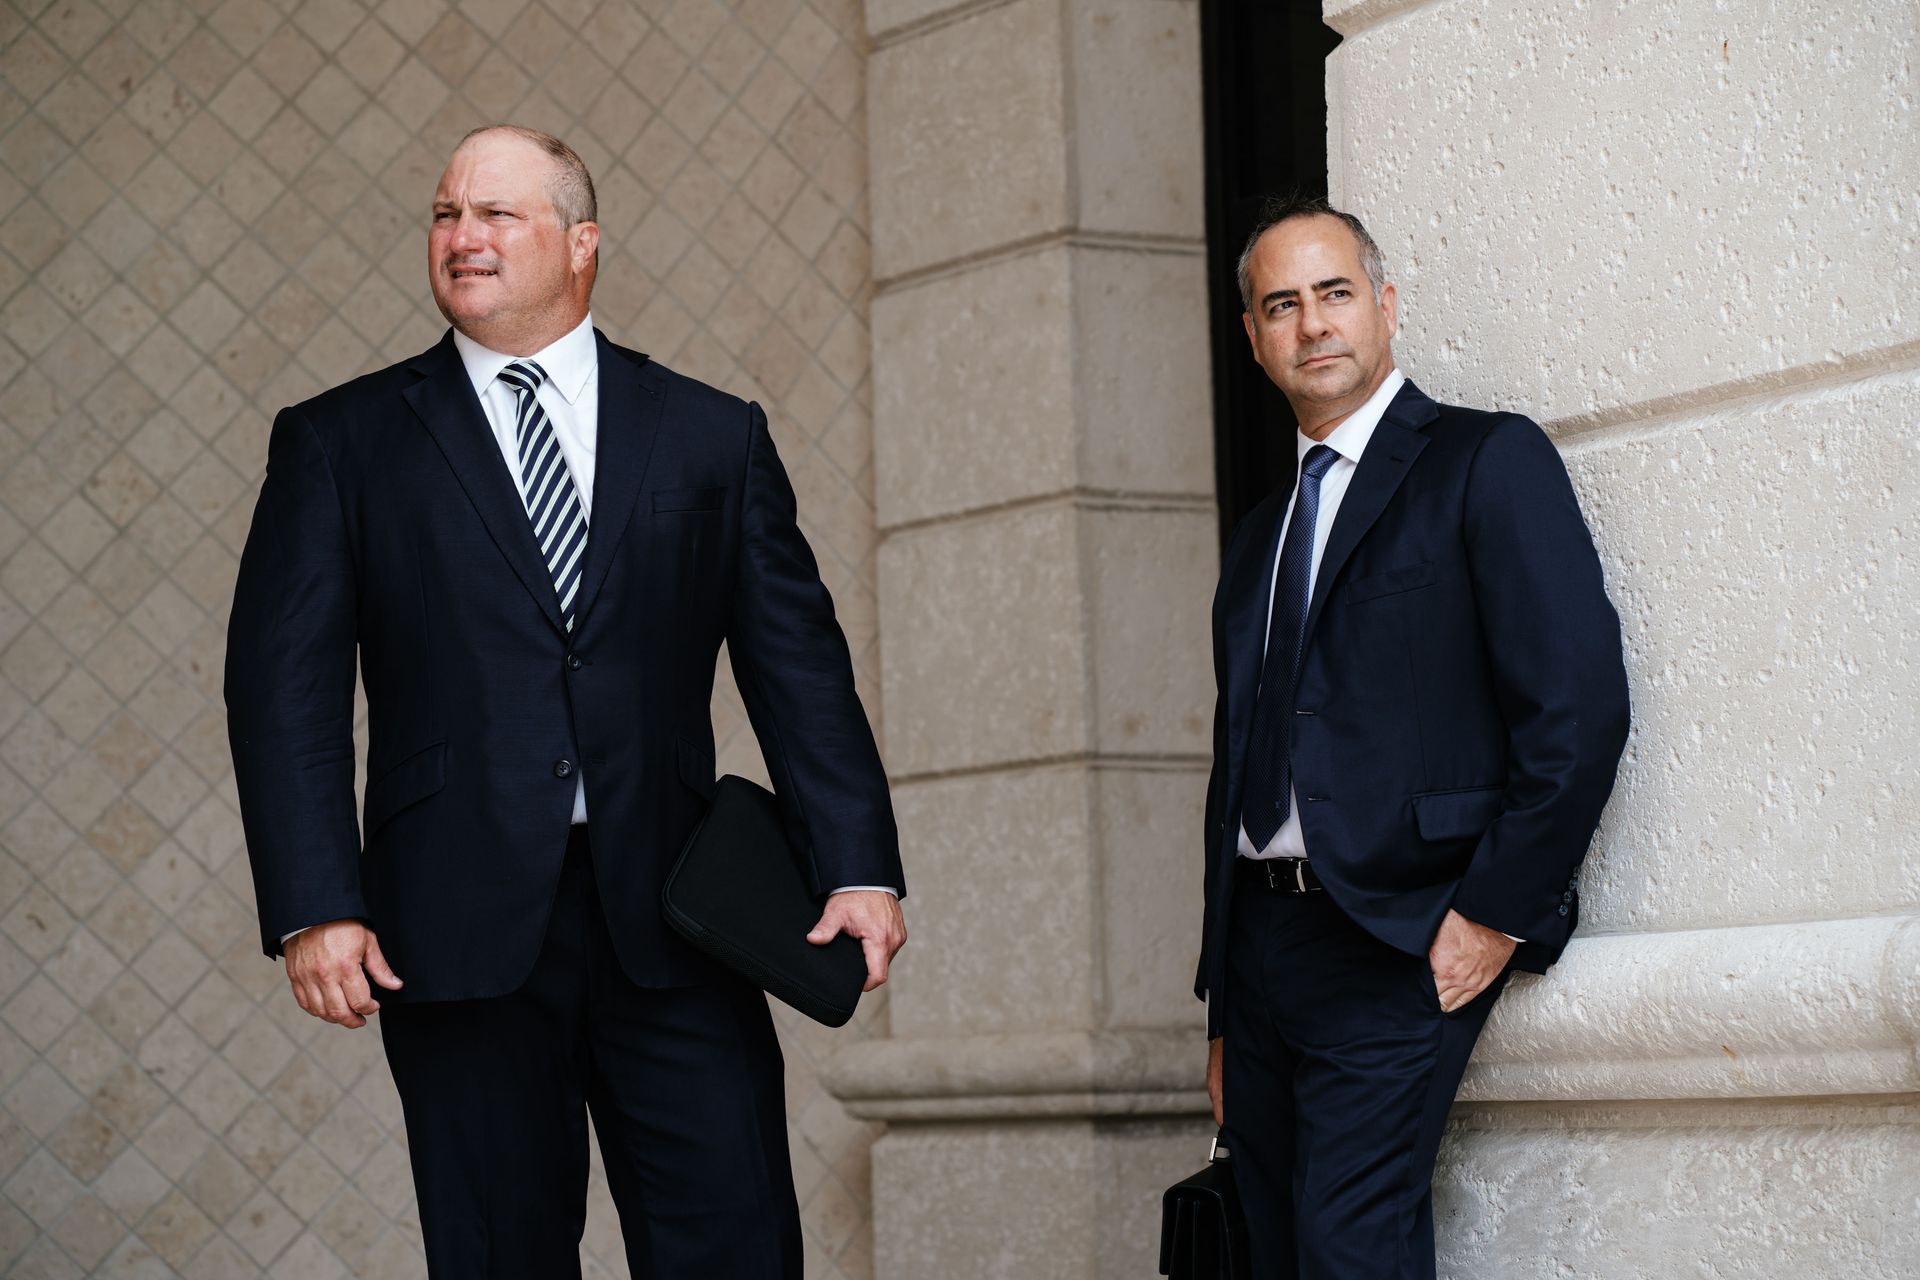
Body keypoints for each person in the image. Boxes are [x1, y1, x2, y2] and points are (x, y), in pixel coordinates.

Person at [225, 124, 906, 1278]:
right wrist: (312, 903)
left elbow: (800, 662)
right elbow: (279, 682)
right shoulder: (341, 442)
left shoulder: (710, 436)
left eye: (497, 214)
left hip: (681, 916)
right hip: (452, 927)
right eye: (446, 214)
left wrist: (858, 859)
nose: (462, 236)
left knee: (736, 1243)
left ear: (581, 243)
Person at [1194, 195, 1629, 1278]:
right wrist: (1219, 996)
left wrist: (1489, 912)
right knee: (1278, 1252)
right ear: (1253, 338)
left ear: (1384, 307)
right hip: (1262, 953)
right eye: (1281, 305)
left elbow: (1577, 710)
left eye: (1335, 293)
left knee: (1351, 1247)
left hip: (1396, 933)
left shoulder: (1486, 462)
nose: (1313, 324)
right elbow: (1234, 765)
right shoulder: (1258, 538)